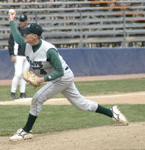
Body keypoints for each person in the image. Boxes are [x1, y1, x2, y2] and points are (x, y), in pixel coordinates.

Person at [8, 10, 129, 142]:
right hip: (59, 78)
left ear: (35, 36)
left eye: (28, 33)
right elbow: (16, 35)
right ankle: (112, 112)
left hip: (62, 77)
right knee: (82, 104)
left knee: (37, 99)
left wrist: (41, 79)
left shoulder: (49, 50)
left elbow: (59, 71)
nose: (24, 34)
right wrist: (11, 20)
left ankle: (26, 131)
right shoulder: (26, 44)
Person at [8, 14, 30, 99]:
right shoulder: (16, 30)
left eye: (23, 21)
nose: (21, 22)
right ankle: (13, 93)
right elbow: (10, 43)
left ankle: (22, 93)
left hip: (27, 56)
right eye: (20, 20)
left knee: (25, 75)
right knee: (17, 74)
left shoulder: (29, 30)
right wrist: (12, 54)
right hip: (18, 56)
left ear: (26, 21)